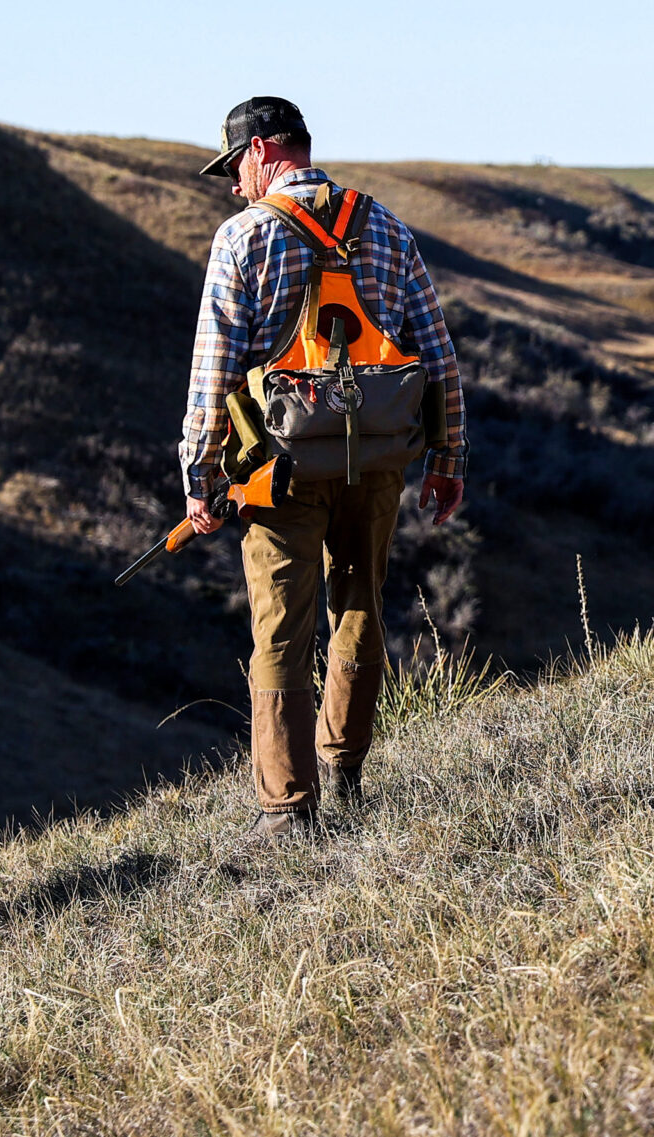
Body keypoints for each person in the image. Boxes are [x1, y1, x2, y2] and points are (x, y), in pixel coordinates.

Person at [177, 96, 467, 840]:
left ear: (266, 151)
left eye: (235, 164)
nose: (233, 183)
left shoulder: (242, 236)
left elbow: (212, 375)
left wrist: (199, 476)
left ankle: (286, 806)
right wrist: (448, 452)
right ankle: (346, 770)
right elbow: (436, 351)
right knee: (361, 604)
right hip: (377, 460)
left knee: (280, 628)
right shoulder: (388, 227)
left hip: (280, 469)